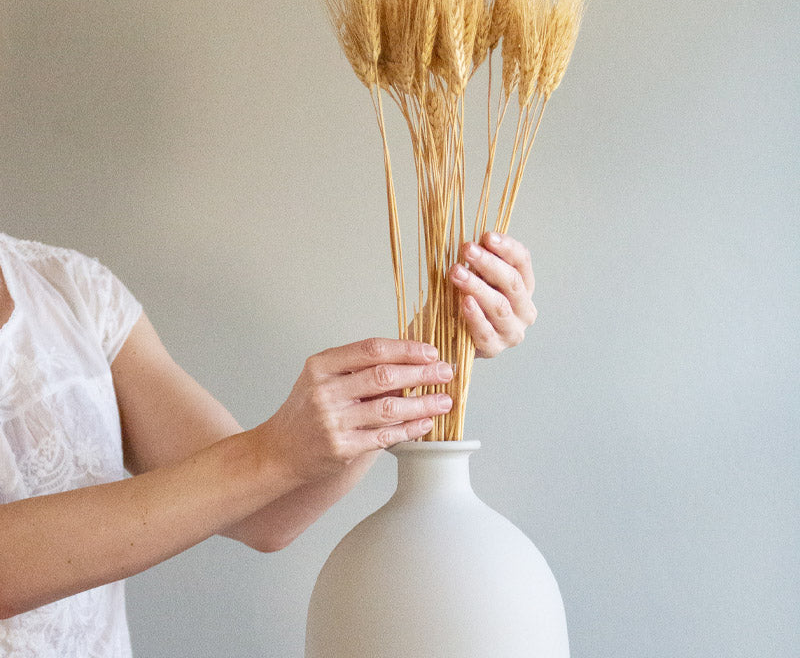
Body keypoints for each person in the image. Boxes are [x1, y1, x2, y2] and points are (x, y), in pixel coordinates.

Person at [0, 229, 537, 656]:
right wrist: (272, 451)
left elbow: (265, 510)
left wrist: (440, 334)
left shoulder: (69, 292)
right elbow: (263, 466)